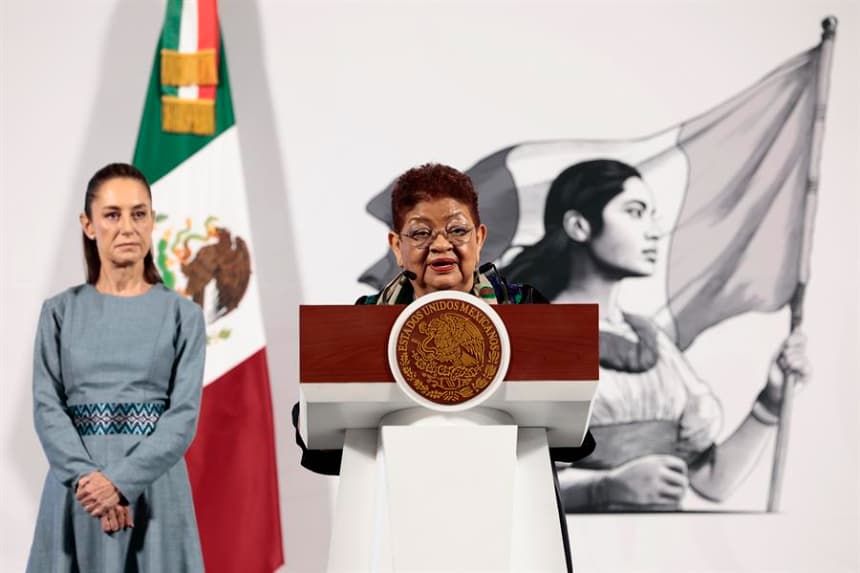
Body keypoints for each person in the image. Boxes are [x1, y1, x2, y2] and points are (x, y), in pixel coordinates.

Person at [293, 162, 594, 569]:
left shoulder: (524, 310)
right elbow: (316, 430)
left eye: (457, 230)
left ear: (480, 238)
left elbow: (573, 426)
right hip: (394, 517)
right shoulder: (364, 321)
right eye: (420, 233)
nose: (440, 245)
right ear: (396, 246)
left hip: (512, 517)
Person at [503, 159, 810, 511]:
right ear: (579, 226)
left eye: (651, 215)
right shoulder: (535, 333)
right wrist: (602, 488)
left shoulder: (653, 341)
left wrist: (770, 402)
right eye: (634, 212)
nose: (652, 231)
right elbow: (510, 485)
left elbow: (712, 481)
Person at [27, 163, 206, 571]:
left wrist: (121, 484)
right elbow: (46, 408)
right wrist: (93, 485)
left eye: (138, 214)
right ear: (88, 225)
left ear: (152, 221)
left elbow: (182, 417)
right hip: (77, 495)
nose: (127, 227)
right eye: (112, 215)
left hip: (156, 494)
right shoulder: (58, 312)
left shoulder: (183, 315)